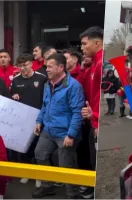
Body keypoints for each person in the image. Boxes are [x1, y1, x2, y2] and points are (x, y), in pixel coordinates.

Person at [32, 53, 85, 199]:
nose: (47, 70)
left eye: (50, 66)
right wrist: (39, 121)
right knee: (40, 154)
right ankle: (47, 186)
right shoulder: (47, 85)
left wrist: (71, 135)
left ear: (61, 67)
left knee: (66, 164)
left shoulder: (73, 86)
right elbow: (45, 106)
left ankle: (72, 194)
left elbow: (77, 112)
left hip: (65, 133)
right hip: (48, 130)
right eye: (46, 66)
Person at [10, 53, 47, 188]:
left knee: (38, 148)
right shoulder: (16, 80)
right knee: (23, 148)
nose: (23, 68)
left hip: (38, 119)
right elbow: (11, 97)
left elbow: (46, 98)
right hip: (21, 120)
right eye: (20, 66)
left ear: (31, 64)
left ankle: (38, 176)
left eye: (25, 65)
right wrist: (13, 96)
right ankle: (26, 173)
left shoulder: (42, 78)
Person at [80, 26, 103, 199]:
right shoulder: (94, 64)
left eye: (84, 44)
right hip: (92, 120)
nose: (82, 48)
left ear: (97, 43)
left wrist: (96, 119)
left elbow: (100, 98)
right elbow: (88, 90)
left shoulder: (103, 64)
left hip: (97, 123)